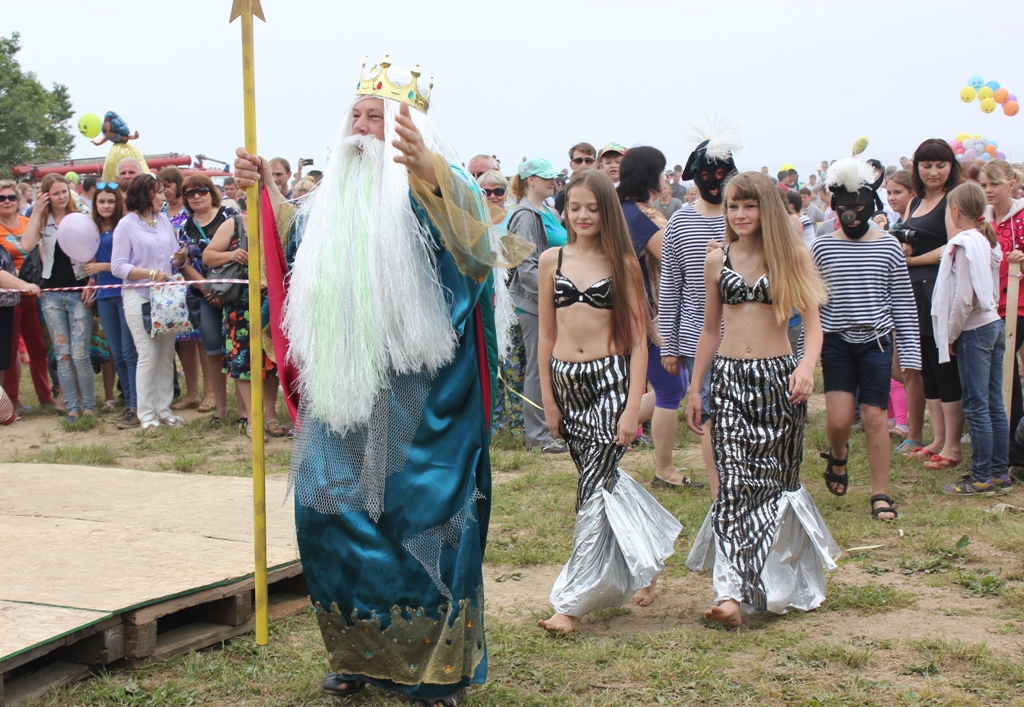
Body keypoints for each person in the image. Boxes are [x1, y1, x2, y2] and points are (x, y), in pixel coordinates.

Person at [233, 56, 528, 707]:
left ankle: (436, 670)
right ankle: (358, 654)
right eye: (358, 115)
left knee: (424, 524)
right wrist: (263, 192)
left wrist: (427, 169)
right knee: (325, 513)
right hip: (342, 394)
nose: (364, 127)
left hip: (424, 400)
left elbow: (477, 252)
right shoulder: (326, 199)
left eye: (379, 117)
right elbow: (289, 242)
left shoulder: (442, 183)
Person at [685, 171, 838, 627]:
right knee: (732, 483)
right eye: (733, 206)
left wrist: (805, 368)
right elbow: (709, 329)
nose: (740, 214)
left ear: (766, 208)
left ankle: (775, 581)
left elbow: (814, 327)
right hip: (729, 377)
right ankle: (730, 592)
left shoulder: (793, 256)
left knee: (776, 484)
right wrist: (696, 387)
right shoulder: (717, 259)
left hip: (778, 380)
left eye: (749, 205)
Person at [535, 167, 681, 634]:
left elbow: (639, 341)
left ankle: (571, 603)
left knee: (592, 487)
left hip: (608, 380)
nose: (582, 216)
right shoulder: (551, 260)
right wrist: (549, 401)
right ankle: (650, 552)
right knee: (603, 480)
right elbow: (545, 335)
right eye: (574, 207)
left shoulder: (623, 263)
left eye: (593, 208)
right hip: (566, 383)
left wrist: (631, 407)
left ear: (607, 212)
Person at [812, 159, 921, 521]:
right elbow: (811, 304)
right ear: (835, 206)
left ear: (872, 205)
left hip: (876, 342)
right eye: (844, 207)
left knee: (875, 417)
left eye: (859, 207)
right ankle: (838, 455)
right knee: (840, 420)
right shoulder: (821, 248)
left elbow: (902, 302)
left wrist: (910, 354)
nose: (852, 214)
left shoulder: (888, 247)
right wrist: (803, 355)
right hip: (836, 343)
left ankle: (880, 493)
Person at [658, 119, 740, 494]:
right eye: (705, 175)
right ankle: (721, 491)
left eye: (720, 174)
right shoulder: (680, 222)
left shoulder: (744, 217)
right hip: (696, 339)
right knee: (710, 415)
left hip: (745, 338)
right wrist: (670, 345)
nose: (713, 182)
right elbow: (671, 286)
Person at [618, 146, 692, 488]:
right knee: (669, 388)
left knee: (672, 386)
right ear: (650, 175)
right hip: (650, 316)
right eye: (661, 172)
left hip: (636, 314)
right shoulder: (641, 216)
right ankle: (664, 470)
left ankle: (615, 426)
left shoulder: (623, 210)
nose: (665, 179)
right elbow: (676, 258)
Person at [931, 182, 1006, 495]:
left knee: (976, 405)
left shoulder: (963, 244)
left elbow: (963, 297)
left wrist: (949, 334)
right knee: (993, 403)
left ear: (955, 210)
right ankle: (999, 472)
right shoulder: (984, 238)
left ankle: (981, 476)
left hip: (974, 329)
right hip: (993, 324)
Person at [900, 140, 964, 469]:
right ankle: (938, 438)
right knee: (926, 368)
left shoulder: (953, 199)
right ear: (917, 168)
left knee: (944, 367)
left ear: (951, 167)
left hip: (939, 292)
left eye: (940, 165)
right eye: (927, 166)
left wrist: (912, 260)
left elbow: (954, 246)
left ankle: (953, 444)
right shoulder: (916, 201)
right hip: (913, 293)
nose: (933, 172)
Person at [202, 192, 286, 440]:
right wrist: (231, 254)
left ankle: (270, 416)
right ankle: (252, 419)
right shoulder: (235, 223)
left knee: (270, 361)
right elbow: (208, 256)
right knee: (242, 361)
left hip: (272, 303)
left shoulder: (280, 222)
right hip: (240, 306)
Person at [111, 175, 188, 431]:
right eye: (159, 192)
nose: (164, 196)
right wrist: (151, 274)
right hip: (139, 296)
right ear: (146, 194)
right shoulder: (125, 225)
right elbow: (118, 266)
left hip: (166, 298)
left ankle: (164, 410)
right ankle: (146, 414)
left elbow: (174, 260)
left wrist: (180, 258)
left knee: (166, 355)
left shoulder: (164, 221)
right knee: (147, 354)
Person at [20, 174, 94, 422]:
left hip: (78, 290)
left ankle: (89, 407)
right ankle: (72, 407)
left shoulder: (81, 217)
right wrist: (36, 211)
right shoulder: (43, 220)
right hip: (51, 294)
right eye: (55, 193)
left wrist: (91, 282)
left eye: (64, 191)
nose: (61, 197)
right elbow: (26, 245)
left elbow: (92, 252)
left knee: (80, 354)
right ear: (46, 196)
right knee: (62, 355)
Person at [508, 157, 569, 453]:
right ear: (530, 180)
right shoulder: (524, 215)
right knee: (538, 366)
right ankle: (538, 436)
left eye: (554, 177)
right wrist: (557, 294)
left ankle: (550, 429)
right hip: (535, 302)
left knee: (551, 364)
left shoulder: (549, 211)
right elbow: (526, 268)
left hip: (553, 299)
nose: (552, 182)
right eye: (546, 177)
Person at [179, 174, 237, 423]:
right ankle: (220, 409)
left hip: (234, 293)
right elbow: (183, 264)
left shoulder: (229, 215)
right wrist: (206, 289)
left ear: (211, 192)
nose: (196, 197)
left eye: (201, 190)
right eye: (190, 193)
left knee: (237, 352)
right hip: (204, 296)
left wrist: (220, 289)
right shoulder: (184, 227)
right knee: (212, 353)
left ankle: (245, 412)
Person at [84, 182, 139, 428]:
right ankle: (129, 402)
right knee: (116, 353)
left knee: (129, 352)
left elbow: (131, 262)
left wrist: (103, 267)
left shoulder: (124, 227)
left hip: (125, 292)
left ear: (118, 203)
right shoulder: (92, 230)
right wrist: (91, 281)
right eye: (101, 201)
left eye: (111, 201)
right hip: (105, 296)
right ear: (95, 204)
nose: (106, 205)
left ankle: (136, 405)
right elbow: (89, 263)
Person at [982, 161, 1024, 452]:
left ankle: (1012, 441)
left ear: (1011, 185)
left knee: (1005, 368)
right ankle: (1009, 439)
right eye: (984, 185)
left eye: (995, 184)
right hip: (991, 306)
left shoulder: (1021, 217)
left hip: (1018, 306)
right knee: (1000, 373)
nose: (989, 190)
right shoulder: (983, 220)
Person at [0, 179, 52, 411]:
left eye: (11, 197)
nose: (7, 202)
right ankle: (12, 399)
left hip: (34, 291)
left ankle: (45, 396)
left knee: (39, 346)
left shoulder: (26, 222)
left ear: (18, 200)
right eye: (1, 198)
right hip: (8, 295)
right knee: (10, 350)